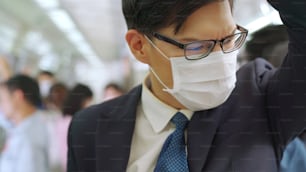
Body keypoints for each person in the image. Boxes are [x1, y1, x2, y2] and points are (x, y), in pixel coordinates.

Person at [67, 0, 306, 171]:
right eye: (197, 47)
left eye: (228, 39)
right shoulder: (90, 130)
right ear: (139, 45)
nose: (220, 59)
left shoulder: (263, 101)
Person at [0, 74, 51, 172]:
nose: (1, 106)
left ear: (17, 96)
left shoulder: (30, 137)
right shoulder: (22, 128)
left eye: (2, 100)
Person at [50, 84, 93, 172]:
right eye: (88, 101)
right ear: (81, 101)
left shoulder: (62, 120)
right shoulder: (75, 123)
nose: (90, 105)